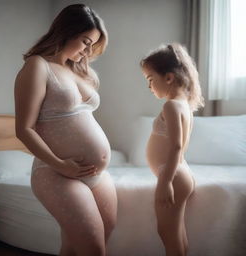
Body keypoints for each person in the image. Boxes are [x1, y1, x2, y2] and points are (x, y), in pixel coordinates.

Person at [14, 4, 117, 256]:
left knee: (81, 244)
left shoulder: (80, 72)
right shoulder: (38, 66)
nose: (88, 51)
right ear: (66, 31)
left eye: (93, 45)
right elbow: (24, 129)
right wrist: (61, 165)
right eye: (85, 41)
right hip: (55, 173)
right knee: (93, 248)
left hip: (94, 174)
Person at [140, 43, 204, 256]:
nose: (149, 87)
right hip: (180, 173)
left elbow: (177, 146)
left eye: (150, 79)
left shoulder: (171, 105)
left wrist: (165, 181)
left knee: (168, 233)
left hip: (173, 176)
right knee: (176, 233)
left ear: (168, 77)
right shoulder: (183, 104)